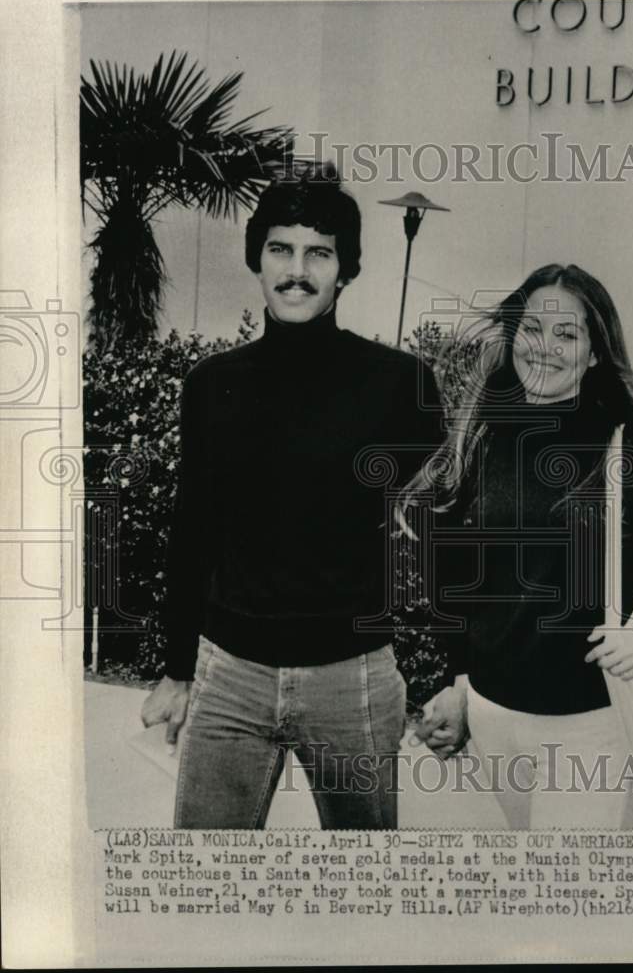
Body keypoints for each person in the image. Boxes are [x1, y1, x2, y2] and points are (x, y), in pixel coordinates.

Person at [141, 169, 442, 829]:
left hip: (352, 679)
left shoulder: (400, 383)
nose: (297, 271)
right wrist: (175, 669)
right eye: (280, 249)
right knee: (202, 882)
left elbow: (442, 535)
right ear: (257, 258)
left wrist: (460, 676)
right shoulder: (211, 385)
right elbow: (192, 528)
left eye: (319, 253)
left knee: (362, 891)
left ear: (345, 270)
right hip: (228, 675)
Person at [398, 263, 633, 828]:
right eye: (532, 329)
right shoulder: (484, 437)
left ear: (594, 353)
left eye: (567, 334)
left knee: (564, 892)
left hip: (588, 724)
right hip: (491, 714)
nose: (544, 347)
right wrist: (459, 683)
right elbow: (454, 576)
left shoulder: (628, 450)